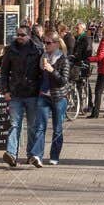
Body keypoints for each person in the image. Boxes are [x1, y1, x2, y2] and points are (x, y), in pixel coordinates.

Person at [0, 26, 46, 167]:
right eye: (18, 34)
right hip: (15, 93)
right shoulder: (10, 50)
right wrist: (5, 90)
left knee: (32, 126)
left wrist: (42, 91)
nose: (19, 37)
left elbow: (42, 73)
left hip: (32, 93)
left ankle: (31, 155)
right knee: (14, 124)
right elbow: (4, 72)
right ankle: (11, 154)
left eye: (22, 35)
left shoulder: (37, 51)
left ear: (29, 36)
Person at [39, 30, 71, 165]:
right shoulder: (43, 57)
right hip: (43, 96)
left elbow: (63, 81)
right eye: (44, 42)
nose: (45, 45)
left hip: (59, 97)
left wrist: (52, 71)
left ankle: (54, 156)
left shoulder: (63, 59)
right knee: (39, 126)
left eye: (48, 43)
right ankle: (36, 155)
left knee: (57, 128)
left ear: (57, 44)